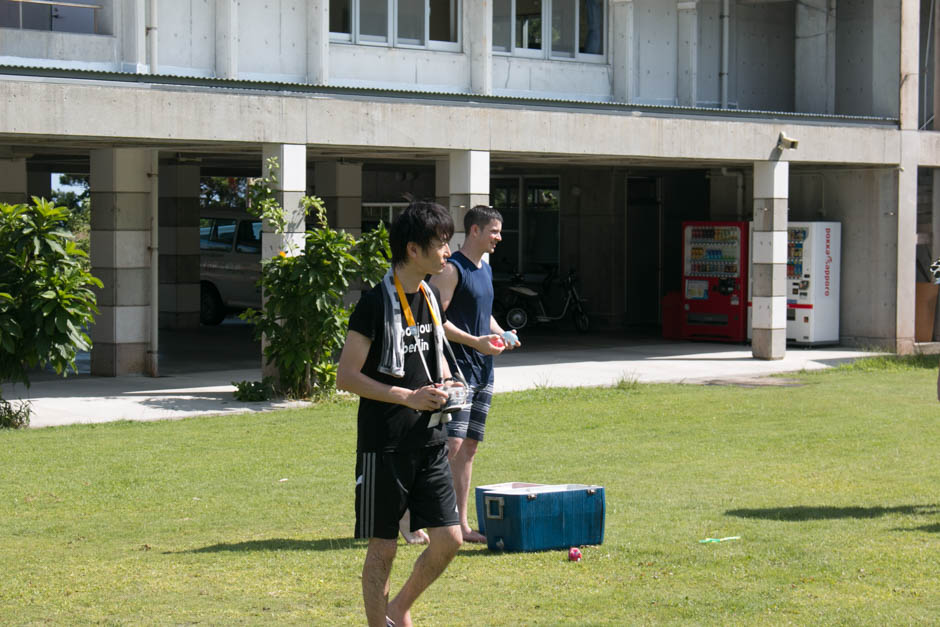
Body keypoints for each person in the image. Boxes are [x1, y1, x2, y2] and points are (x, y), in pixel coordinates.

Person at [336, 202, 464, 627]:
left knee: (450, 540)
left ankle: (399, 607)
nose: (448, 252)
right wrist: (408, 397)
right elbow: (346, 377)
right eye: (441, 244)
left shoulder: (428, 297)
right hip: (384, 443)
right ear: (413, 250)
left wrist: (449, 384)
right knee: (384, 547)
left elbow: (434, 361)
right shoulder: (373, 304)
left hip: (427, 440)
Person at [430, 205, 521, 543]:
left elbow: (485, 317)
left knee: (468, 448)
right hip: (456, 370)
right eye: (494, 231)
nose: (499, 237)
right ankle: (418, 514)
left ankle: (462, 525)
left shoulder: (485, 268)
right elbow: (435, 320)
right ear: (475, 231)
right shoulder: (452, 270)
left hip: (483, 370)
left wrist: (501, 334)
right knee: (449, 445)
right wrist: (475, 342)